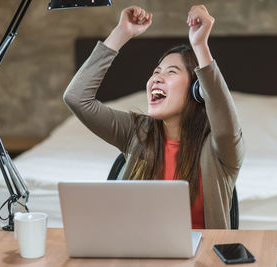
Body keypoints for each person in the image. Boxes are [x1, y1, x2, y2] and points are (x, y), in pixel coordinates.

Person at [63, 5, 244, 229]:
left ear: (198, 89)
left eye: (171, 72)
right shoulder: (137, 132)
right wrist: (122, 32)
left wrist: (200, 46)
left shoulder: (219, 149)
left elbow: (227, 126)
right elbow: (76, 98)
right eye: (156, 72)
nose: (156, 79)